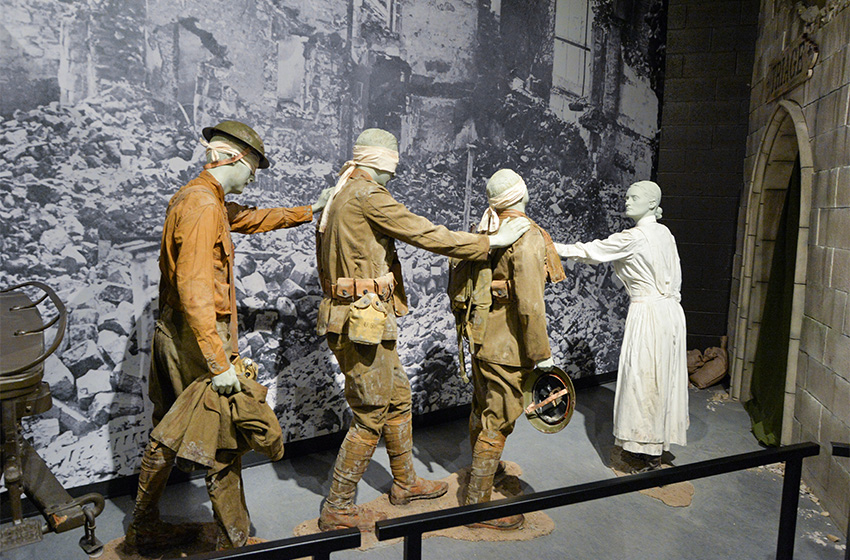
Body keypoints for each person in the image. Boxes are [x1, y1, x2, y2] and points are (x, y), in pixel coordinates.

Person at [126, 120, 332, 551]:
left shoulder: (203, 197)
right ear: (232, 157)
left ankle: (143, 528)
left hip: (176, 334)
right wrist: (219, 364)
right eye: (254, 165)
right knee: (226, 437)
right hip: (198, 341)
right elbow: (196, 289)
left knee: (168, 429)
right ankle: (234, 542)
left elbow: (252, 218)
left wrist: (309, 211)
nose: (255, 175)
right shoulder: (203, 207)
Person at [315, 129, 530, 531]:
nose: (397, 168)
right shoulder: (366, 195)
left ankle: (405, 483)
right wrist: (491, 242)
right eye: (394, 159)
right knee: (371, 413)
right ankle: (338, 507)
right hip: (361, 321)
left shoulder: (342, 192)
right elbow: (425, 233)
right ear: (381, 160)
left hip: (361, 317)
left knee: (398, 397)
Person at [554, 180, 688, 472]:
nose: (627, 201)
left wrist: (549, 247)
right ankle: (652, 447)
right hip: (670, 315)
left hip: (650, 314)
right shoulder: (665, 233)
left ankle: (645, 449)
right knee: (660, 378)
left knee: (644, 380)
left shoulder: (635, 237)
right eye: (626, 196)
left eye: (634, 197)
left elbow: (590, 251)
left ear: (652, 203)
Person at [464, 169, 565, 529]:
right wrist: (542, 355)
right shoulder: (527, 235)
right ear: (521, 194)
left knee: (482, 408)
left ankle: (483, 479)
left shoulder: (486, 230)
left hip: (480, 337)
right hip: (508, 347)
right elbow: (530, 305)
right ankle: (477, 507)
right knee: (499, 419)